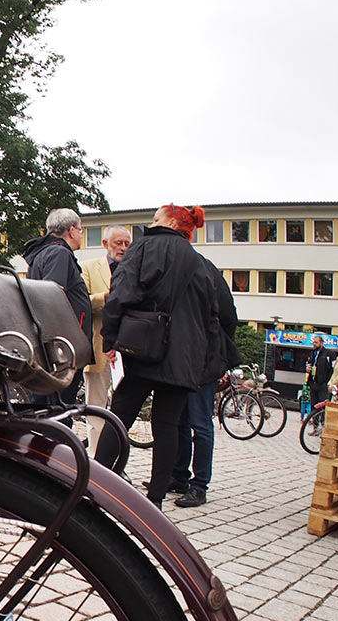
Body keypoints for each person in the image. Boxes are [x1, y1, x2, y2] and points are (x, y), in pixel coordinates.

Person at [94, 204, 216, 507]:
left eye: (156, 218)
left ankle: (95, 485)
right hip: (184, 358)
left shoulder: (146, 247)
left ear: (172, 222)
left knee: (119, 417)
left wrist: (110, 337)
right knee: (168, 426)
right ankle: (156, 500)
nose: (152, 223)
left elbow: (121, 292)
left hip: (144, 347)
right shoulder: (201, 263)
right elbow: (216, 314)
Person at [171, 253, 239, 508]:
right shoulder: (182, 267)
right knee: (180, 420)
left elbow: (228, 316)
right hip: (184, 358)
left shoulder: (204, 269)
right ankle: (178, 475)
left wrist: (219, 354)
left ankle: (199, 486)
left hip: (203, 359)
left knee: (199, 423)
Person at [23, 208, 91, 406]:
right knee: (58, 407)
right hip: (63, 348)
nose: (81, 234)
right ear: (71, 230)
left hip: (55, 346)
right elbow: (53, 295)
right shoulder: (59, 253)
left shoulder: (44, 253)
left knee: (48, 405)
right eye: (81, 230)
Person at [80, 225, 131, 454]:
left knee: (123, 410)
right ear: (105, 244)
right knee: (95, 407)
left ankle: (116, 458)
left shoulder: (135, 270)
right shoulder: (89, 268)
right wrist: (107, 298)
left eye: (126, 243)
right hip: (100, 349)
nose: (122, 248)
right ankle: (95, 459)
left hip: (129, 350)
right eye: (118, 243)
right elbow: (82, 302)